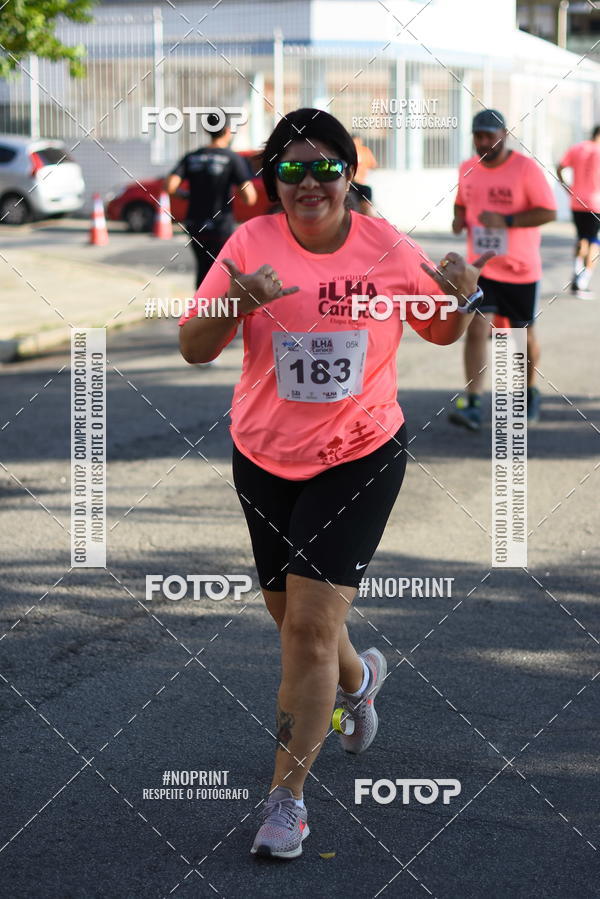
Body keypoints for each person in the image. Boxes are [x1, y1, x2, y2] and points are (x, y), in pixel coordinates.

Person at [179, 108, 491, 860]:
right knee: (295, 625)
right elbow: (192, 346)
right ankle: (361, 678)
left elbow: (440, 328)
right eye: (292, 168)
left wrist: (457, 295)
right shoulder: (248, 243)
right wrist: (235, 304)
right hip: (262, 454)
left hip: (360, 453)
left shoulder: (387, 246)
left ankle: (287, 799)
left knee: (310, 631)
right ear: (274, 180)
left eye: (326, 167)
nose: (310, 181)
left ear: (351, 174)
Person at [450, 109, 556, 430]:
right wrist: (457, 218)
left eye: (489, 136)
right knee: (477, 329)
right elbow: (461, 202)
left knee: (521, 336)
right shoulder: (468, 168)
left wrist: (507, 221)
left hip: (520, 269)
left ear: (504, 135)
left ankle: (529, 391)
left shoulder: (525, 169)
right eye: (478, 136)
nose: (483, 143)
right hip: (481, 269)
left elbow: (548, 212)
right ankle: (473, 401)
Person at [166, 113, 257, 289]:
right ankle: (218, 312)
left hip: (195, 223)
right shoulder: (232, 158)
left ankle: (200, 310)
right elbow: (250, 197)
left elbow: (170, 185)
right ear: (228, 131)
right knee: (221, 273)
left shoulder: (192, 157)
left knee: (203, 268)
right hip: (220, 225)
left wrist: (186, 195)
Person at [557, 126, 600, 298]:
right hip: (596, 203)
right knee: (594, 241)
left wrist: (567, 187)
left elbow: (560, 167)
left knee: (582, 237)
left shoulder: (577, 148)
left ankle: (577, 272)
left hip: (577, 201)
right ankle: (582, 282)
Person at [351, 134, 378, 215]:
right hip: (352, 182)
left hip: (361, 181)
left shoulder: (365, 151)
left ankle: (367, 215)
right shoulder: (349, 152)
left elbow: (373, 165)